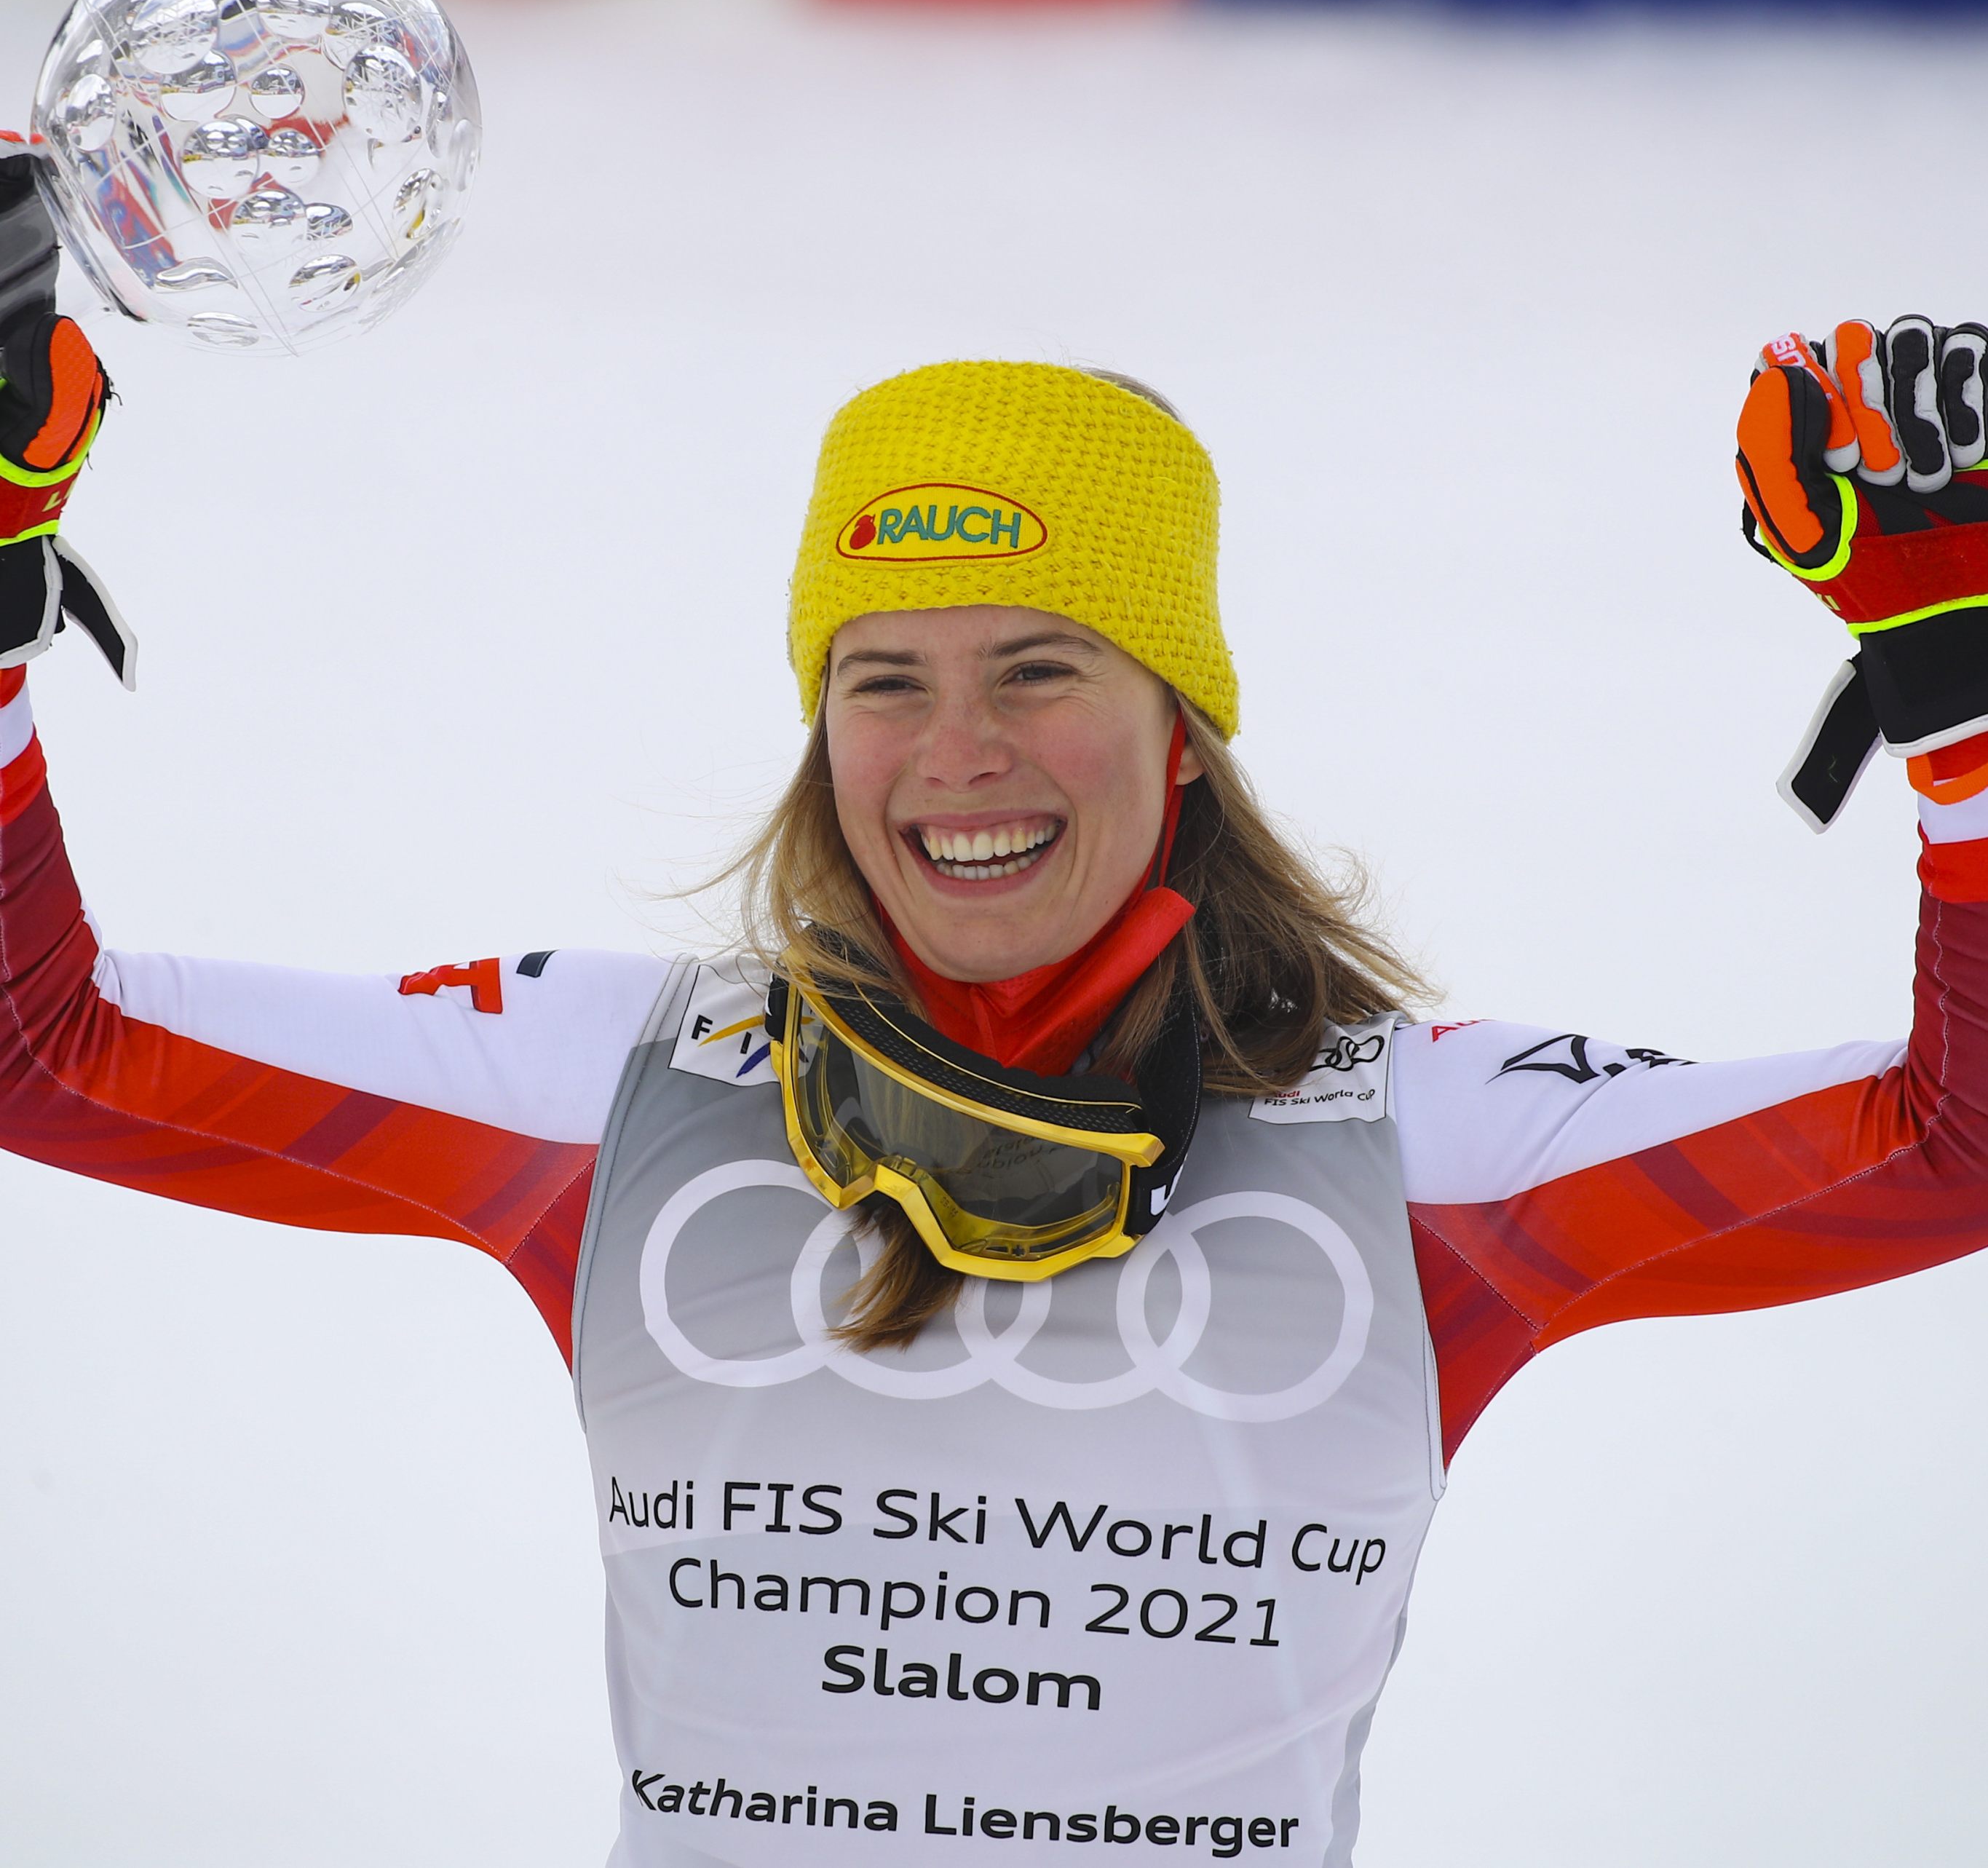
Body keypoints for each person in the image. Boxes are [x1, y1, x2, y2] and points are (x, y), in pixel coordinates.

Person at [6, 233, 1988, 1864]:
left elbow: (1949, 1147)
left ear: (1181, 728)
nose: (958, 752)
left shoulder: (1423, 1144)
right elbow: (50, 1050)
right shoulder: (614, 1084)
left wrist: (1963, 707)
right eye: (886, 679)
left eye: (1038, 666)